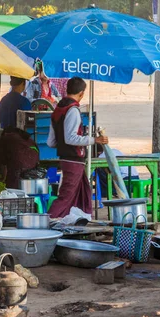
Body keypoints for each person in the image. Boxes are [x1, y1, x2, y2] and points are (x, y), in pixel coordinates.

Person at [47, 77, 109, 218]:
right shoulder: (72, 110)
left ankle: (81, 220)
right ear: (81, 93)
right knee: (66, 196)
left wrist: (62, 143)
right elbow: (71, 138)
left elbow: (51, 142)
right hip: (73, 160)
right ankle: (46, 222)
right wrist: (95, 140)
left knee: (84, 192)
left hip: (68, 159)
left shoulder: (58, 109)